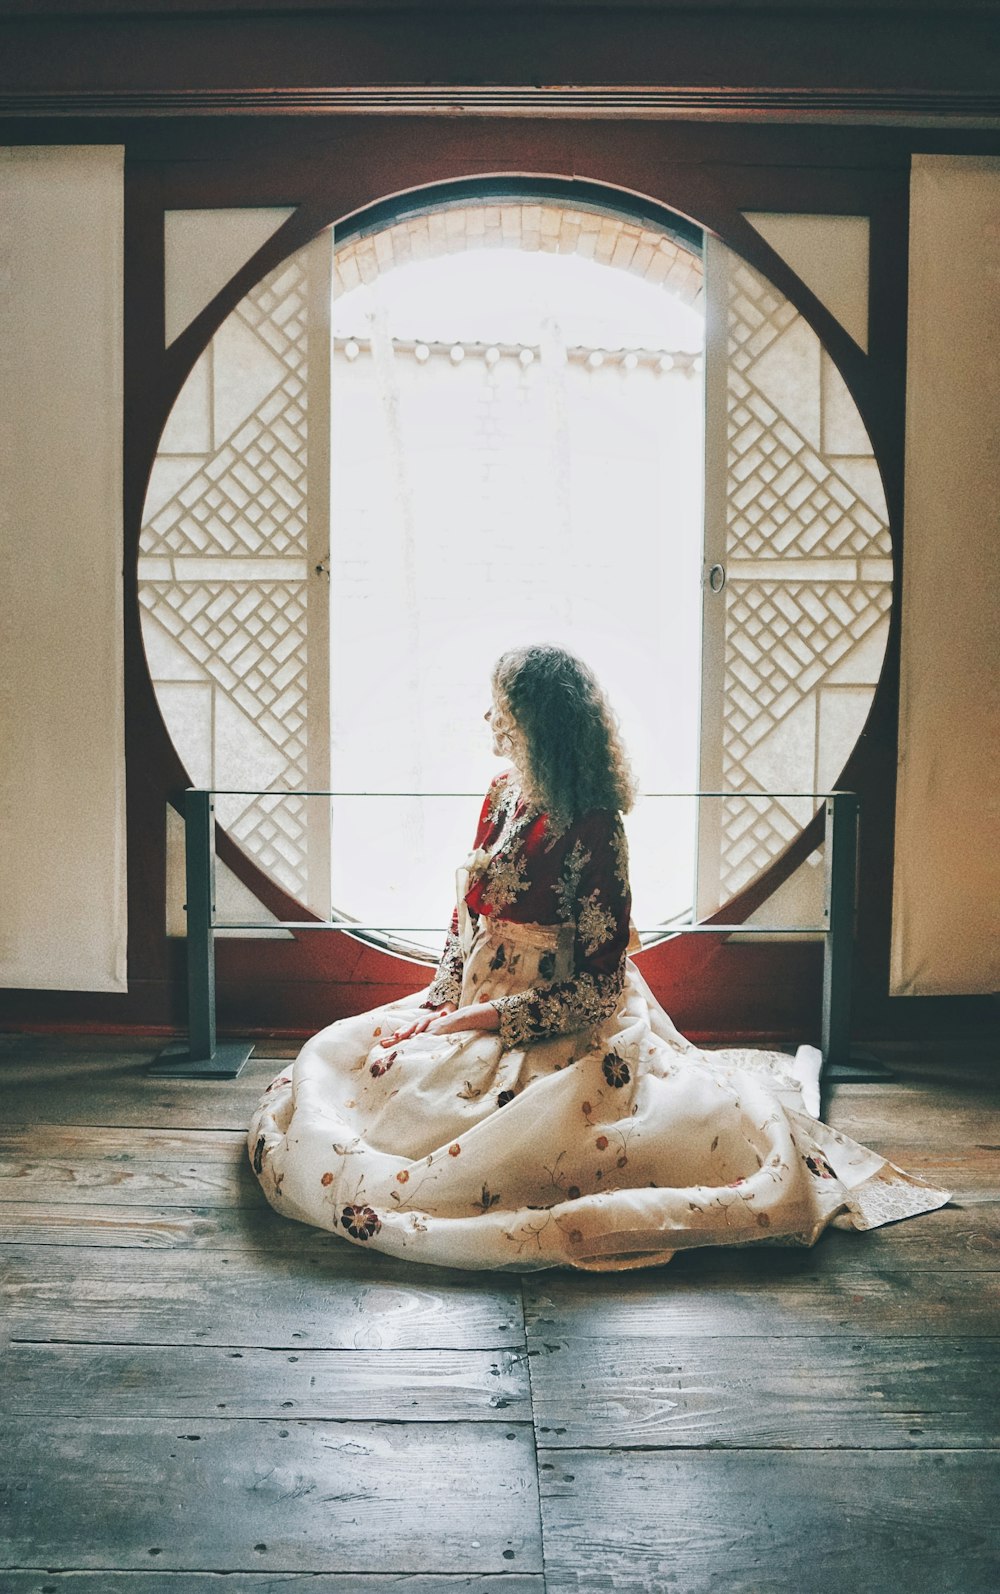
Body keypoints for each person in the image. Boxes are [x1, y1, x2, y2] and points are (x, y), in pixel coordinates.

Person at [248, 645, 949, 1271]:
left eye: (504, 712)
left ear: (541, 727)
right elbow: (469, 918)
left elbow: (598, 988)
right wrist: (438, 1002)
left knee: (473, 1137)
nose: (488, 721)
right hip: (470, 1000)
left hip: (555, 1018)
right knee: (347, 1061)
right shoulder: (500, 794)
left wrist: (475, 1022)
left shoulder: (594, 826)